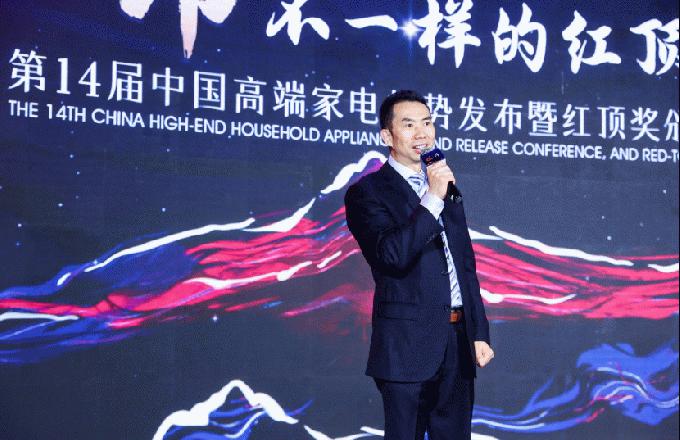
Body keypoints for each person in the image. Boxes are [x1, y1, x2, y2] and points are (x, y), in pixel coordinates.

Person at [344, 90, 494, 439]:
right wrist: (432, 198)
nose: (421, 133)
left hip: (456, 340)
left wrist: (478, 331)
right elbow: (391, 255)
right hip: (406, 344)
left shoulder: (444, 184)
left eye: (427, 123)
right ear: (387, 136)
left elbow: (464, 263)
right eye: (409, 125)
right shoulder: (368, 192)